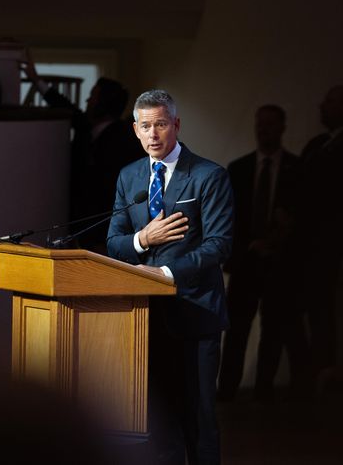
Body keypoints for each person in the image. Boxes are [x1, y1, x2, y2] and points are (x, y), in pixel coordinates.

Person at [107, 89, 233, 465]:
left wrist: (163, 272)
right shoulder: (129, 176)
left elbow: (219, 245)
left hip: (195, 314)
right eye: (145, 127)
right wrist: (142, 239)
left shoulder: (209, 176)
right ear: (135, 130)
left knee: (198, 418)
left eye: (161, 124)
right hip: (143, 319)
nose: (153, 135)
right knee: (156, 420)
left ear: (175, 124)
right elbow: (114, 243)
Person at [217, 104, 303, 402]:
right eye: (259, 124)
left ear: (282, 127)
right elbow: (226, 216)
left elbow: (302, 218)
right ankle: (227, 389)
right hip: (245, 261)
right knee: (237, 329)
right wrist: (241, 249)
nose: (263, 130)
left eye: (269, 124)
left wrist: (277, 241)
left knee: (273, 329)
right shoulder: (238, 168)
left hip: (280, 264)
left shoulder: (297, 169)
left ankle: (263, 390)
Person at [19, 53, 144, 253]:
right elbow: (66, 107)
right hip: (80, 224)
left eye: (93, 96)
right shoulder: (86, 129)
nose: (88, 99)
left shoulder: (124, 139)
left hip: (103, 227)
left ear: (104, 103)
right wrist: (35, 79)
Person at [292, 85, 343, 394]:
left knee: (322, 311)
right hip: (306, 241)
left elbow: (339, 195)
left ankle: (320, 374)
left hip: (325, 243)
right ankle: (309, 372)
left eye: (331, 102)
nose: (322, 106)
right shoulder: (319, 144)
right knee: (302, 309)